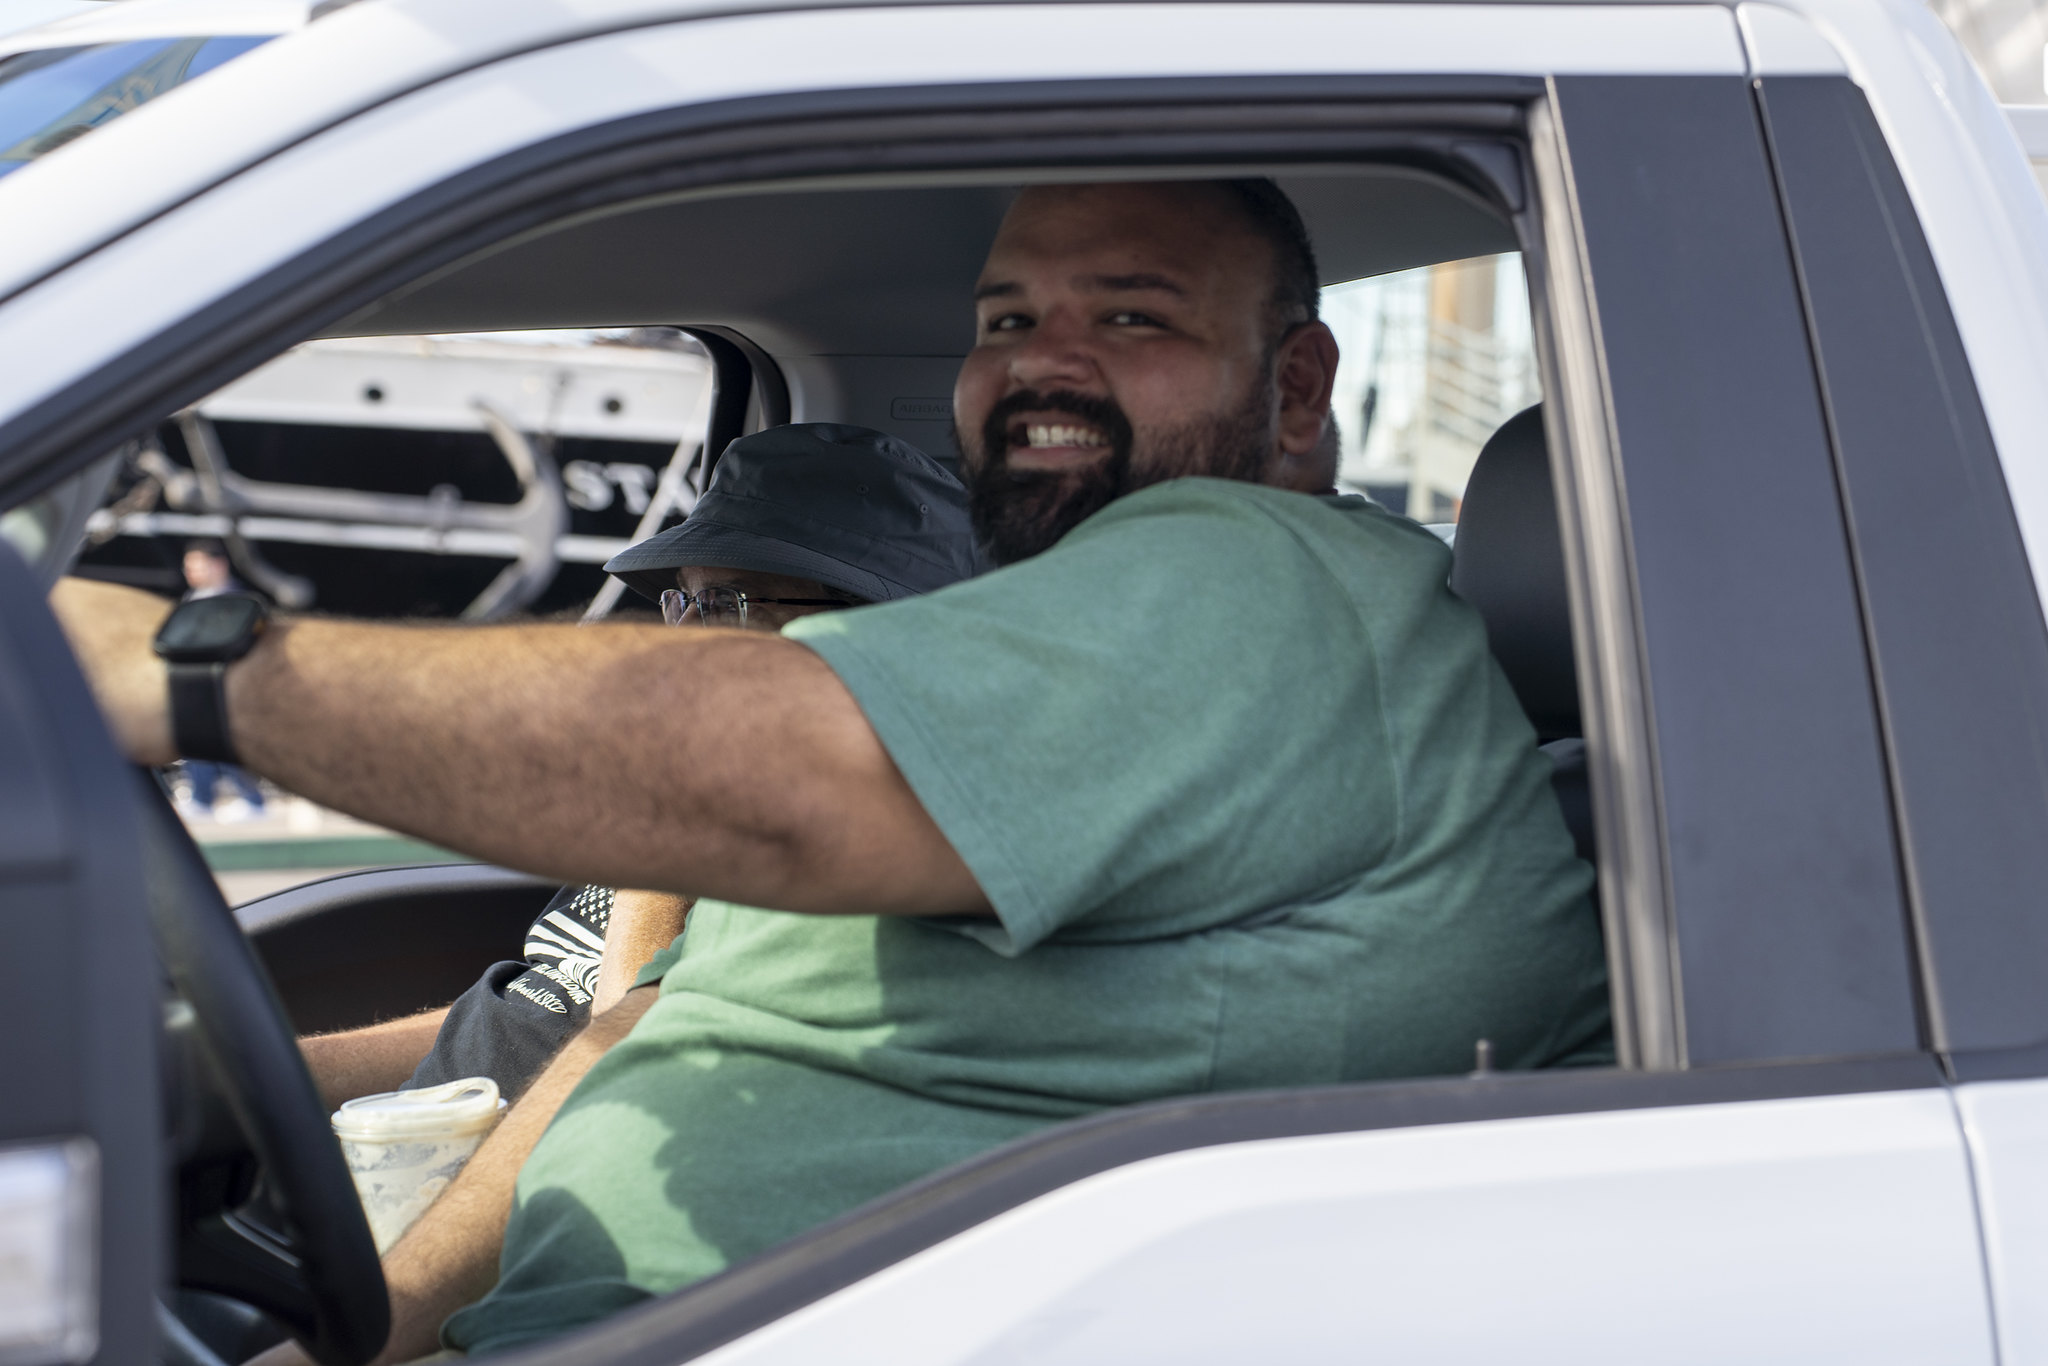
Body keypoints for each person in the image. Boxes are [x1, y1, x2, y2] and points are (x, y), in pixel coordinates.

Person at [54, 178, 1608, 1365]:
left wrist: (181, 667)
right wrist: (374, 1323)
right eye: (1006, 322)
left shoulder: (1249, 578)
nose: (1045, 364)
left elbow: (785, 778)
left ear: (1294, 389)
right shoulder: (1076, 667)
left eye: (1132, 316)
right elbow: (650, 1031)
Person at [298, 424, 982, 1109]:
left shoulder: (854, 855)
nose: (681, 637)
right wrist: (266, 1073)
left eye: (725, 603)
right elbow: (549, 999)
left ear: (869, 629)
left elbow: (630, 1085)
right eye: (682, 600)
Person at [175, 539, 267, 822]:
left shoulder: (240, 600)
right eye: (188, 566)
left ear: (218, 565)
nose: (191, 572)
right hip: (195, 682)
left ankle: (253, 801)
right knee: (195, 742)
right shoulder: (192, 598)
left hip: (229, 683)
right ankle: (202, 798)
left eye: (198, 565)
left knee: (228, 745)